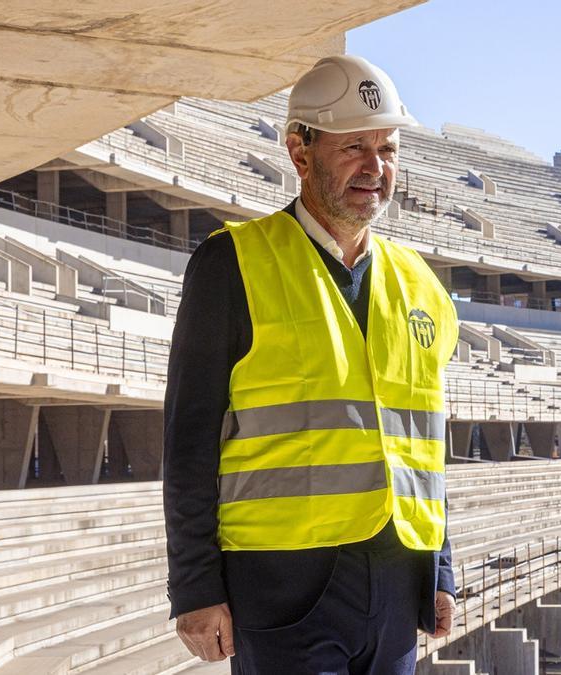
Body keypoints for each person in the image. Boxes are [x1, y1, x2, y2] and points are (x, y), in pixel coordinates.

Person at [163, 54, 458, 675]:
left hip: (398, 581)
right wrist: (195, 588)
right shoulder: (232, 264)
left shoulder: (423, 287)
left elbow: (424, 449)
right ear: (301, 152)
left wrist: (442, 567)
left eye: (388, 149)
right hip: (281, 585)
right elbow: (189, 442)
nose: (375, 168)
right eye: (354, 147)